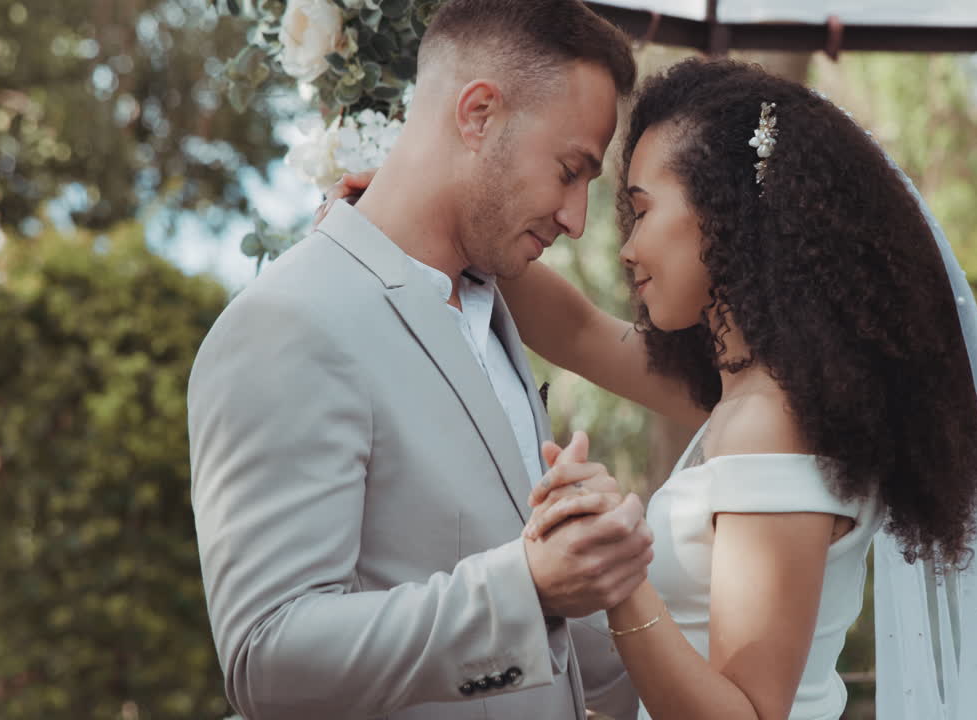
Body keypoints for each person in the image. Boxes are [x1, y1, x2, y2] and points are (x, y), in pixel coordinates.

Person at [331, 57, 977, 719]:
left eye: (639, 211)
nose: (626, 248)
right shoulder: (758, 394)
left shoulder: (772, 421)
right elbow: (581, 333)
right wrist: (422, 210)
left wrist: (618, 572)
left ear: (729, 212)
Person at [186, 2, 651, 719]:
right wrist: (526, 586)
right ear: (478, 115)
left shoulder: (494, 313)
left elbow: (555, 657)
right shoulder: (288, 321)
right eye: (569, 170)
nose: (576, 218)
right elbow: (268, 657)